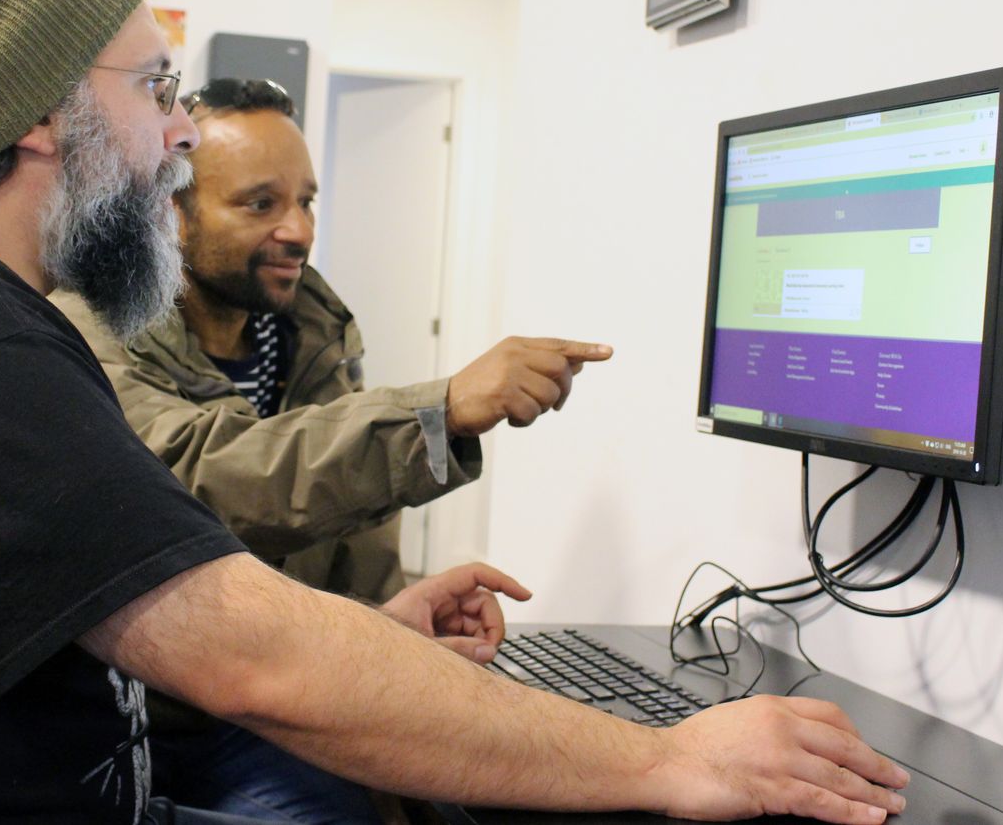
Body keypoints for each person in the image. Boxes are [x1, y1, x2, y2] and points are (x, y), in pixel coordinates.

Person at [0, 0, 910, 825]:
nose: (180, 133)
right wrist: (669, 757)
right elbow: (252, 657)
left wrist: (370, 636)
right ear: (38, 115)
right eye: (153, 86)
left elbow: (156, 604)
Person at [52, 76, 608, 604]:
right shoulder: (90, 328)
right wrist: (439, 411)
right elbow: (203, 477)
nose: (299, 231)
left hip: (304, 664)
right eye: (260, 204)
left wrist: (397, 625)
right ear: (173, 213)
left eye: (306, 202)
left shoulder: (316, 337)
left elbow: (357, 530)